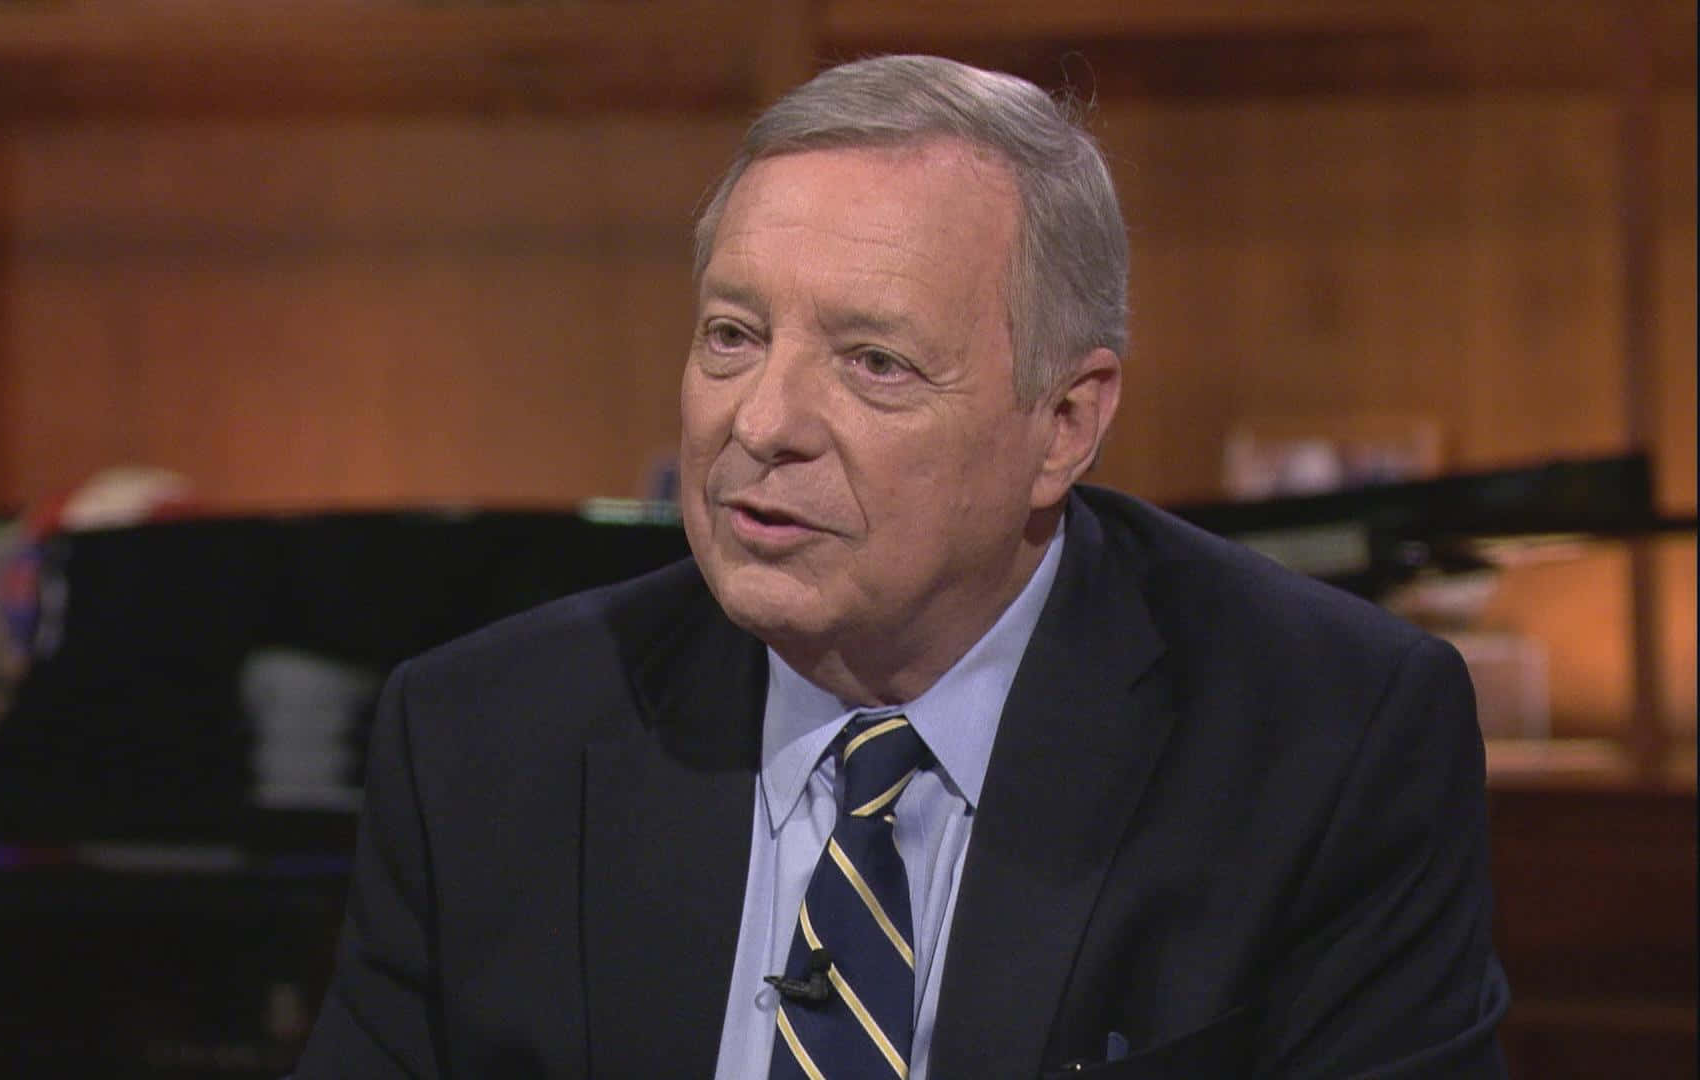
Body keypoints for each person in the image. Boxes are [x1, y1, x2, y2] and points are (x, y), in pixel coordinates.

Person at [296, 54, 1508, 1078]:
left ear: (1065, 425)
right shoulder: (485, 736)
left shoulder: (1326, 737)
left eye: (874, 362)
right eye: (733, 335)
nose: (762, 420)